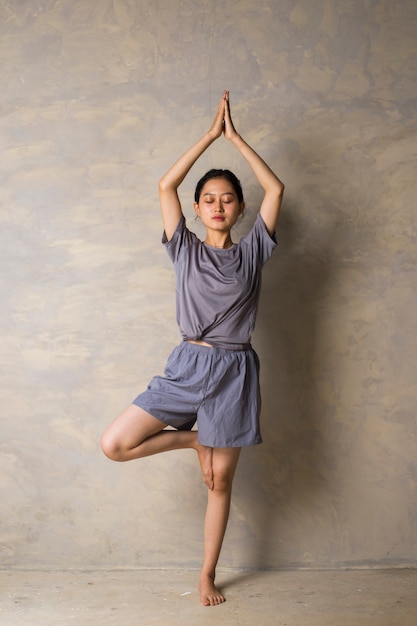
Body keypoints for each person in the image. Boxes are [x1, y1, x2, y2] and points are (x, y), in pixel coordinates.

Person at [100, 90, 284, 606]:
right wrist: (209, 135)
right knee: (115, 444)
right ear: (198, 209)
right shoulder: (183, 247)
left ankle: (206, 574)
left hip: (235, 371)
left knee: (220, 482)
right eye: (209, 199)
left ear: (240, 207)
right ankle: (192, 440)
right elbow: (165, 184)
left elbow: (277, 186)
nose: (219, 206)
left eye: (228, 198)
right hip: (187, 364)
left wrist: (236, 139)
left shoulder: (254, 252)